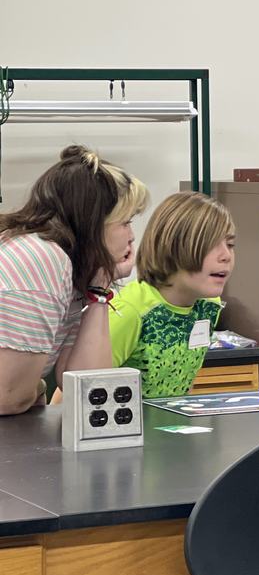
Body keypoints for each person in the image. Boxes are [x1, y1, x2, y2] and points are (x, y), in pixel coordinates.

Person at [0, 145, 148, 415]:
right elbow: (9, 397)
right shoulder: (40, 260)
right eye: (125, 222)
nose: (132, 236)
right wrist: (38, 389)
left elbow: (88, 385)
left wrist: (99, 290)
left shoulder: (67, 266)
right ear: (93, 223)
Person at [110, 191, 235, 398]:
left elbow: (179, 379)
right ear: (173, 247)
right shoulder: (130, 312)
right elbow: (73, 391)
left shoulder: (208, 306)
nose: (226, 256)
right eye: (212, 245)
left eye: (230, 245)